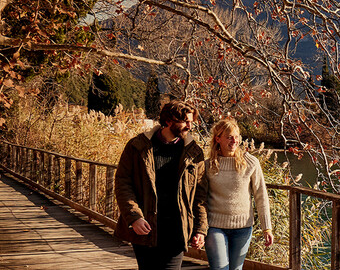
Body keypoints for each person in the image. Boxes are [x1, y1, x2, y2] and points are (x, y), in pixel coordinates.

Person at [114, 101, 208, 270]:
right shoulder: (138, 146)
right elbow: (123, 183)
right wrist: (134, 217)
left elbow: (200, 196)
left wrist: (200, 229)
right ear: (169, 121)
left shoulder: (194, 153)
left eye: (191, 122)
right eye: (185, 121)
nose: (189, 126)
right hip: (146, 228)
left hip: (177, 230)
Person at [199, 118, 272, 270]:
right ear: (218, 139)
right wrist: (199, 229)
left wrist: (267, 228)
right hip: (215, 227)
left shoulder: (251, 163)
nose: (234, 141)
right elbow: (200, 199)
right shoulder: (207, 165)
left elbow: (261, 196)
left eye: (237, 137)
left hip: (243, 228)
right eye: (229, 137)